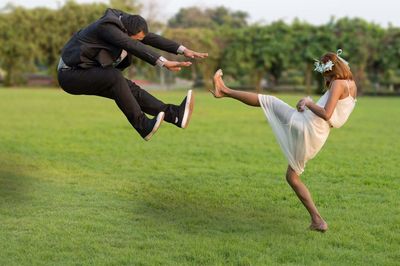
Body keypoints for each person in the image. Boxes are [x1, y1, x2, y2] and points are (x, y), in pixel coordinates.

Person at [210, 50, 357, 232]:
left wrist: (308, 103)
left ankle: (224, 90)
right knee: (292, 177)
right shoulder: (351, 85)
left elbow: (326, 114)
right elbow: (334, 117)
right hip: (316, 135)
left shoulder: (338, 84)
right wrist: (308, 106)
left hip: (308, 128)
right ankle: (318, 221)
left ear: (331, 70)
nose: (325, 78)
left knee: (269, 101)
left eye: (325, 74)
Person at [57, 8, 208, 140]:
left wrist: (183, 50)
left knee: (128, 88)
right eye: (137, 39)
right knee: (114, 77)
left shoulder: (126, 22)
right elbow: (131, 44)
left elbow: (148, 38)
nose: (140, 41)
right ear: (126, 33)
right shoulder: (107, 27)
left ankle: (175, 115)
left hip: (88, 71)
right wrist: (164, 62)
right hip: (70, 74)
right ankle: (143, 125)